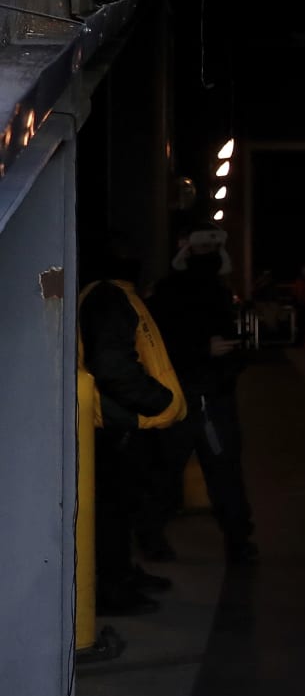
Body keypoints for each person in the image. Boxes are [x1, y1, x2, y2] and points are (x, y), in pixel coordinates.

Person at [78, 236, 186, 615]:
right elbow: (112, 365)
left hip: (121, 418)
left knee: (120, 507)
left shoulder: (109, 293)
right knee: (112, 508)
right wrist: (157, 400)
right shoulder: (109, 297)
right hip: (119, 421)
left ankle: (121, 575)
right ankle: (112, 587)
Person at [146, 225, 260, 565]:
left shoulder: (185, 290)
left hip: (198, 394)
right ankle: (236, 541)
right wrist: (204, 351)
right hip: (198, 395)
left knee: (174, 471)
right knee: (212, 472)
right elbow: (161, 342)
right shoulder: (189, 291)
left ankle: (153, 536)